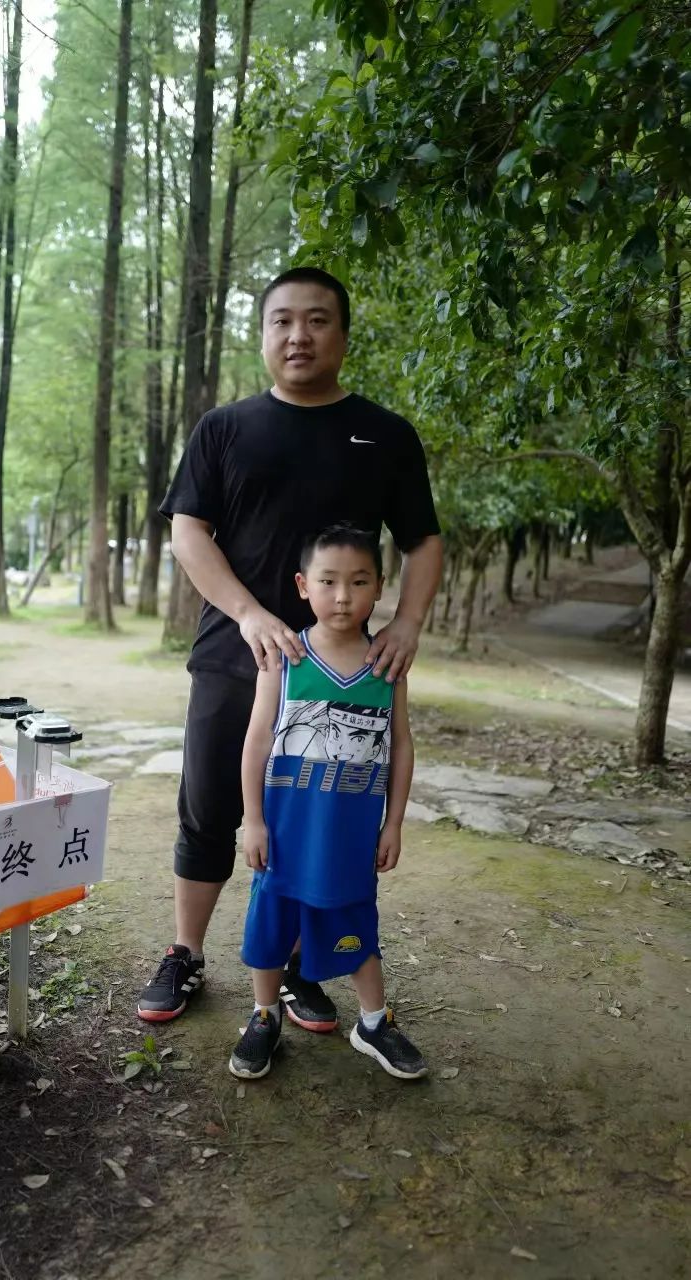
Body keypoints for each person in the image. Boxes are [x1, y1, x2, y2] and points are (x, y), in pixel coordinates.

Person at [136, 266, 442, 1031]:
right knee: (210, 804)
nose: (298, 335)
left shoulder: (386, 435)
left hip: (343, 673)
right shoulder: (224, 428)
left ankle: (307, 970)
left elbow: (424, 541)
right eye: (281, 321)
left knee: (324, 820)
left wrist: (405, 623)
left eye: (316, 320)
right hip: (235, 655)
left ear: (342, 333)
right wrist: (245, 613)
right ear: (264, 333)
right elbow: (187, 531)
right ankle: (185, 953)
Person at [231, 523, 426, 1080]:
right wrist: (253, 821)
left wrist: (393, 824)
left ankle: (372, 1022)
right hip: (286, 834)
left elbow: (402, 744)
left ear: (379, 587)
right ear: (302, 585)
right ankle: (265, 1016)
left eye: (359, 581)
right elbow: (256, 742)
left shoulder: (387, 665)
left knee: (358, 922)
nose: (343, 596)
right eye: (329, 581)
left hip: (353, 837)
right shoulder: (284, 658)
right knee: (272, 924)